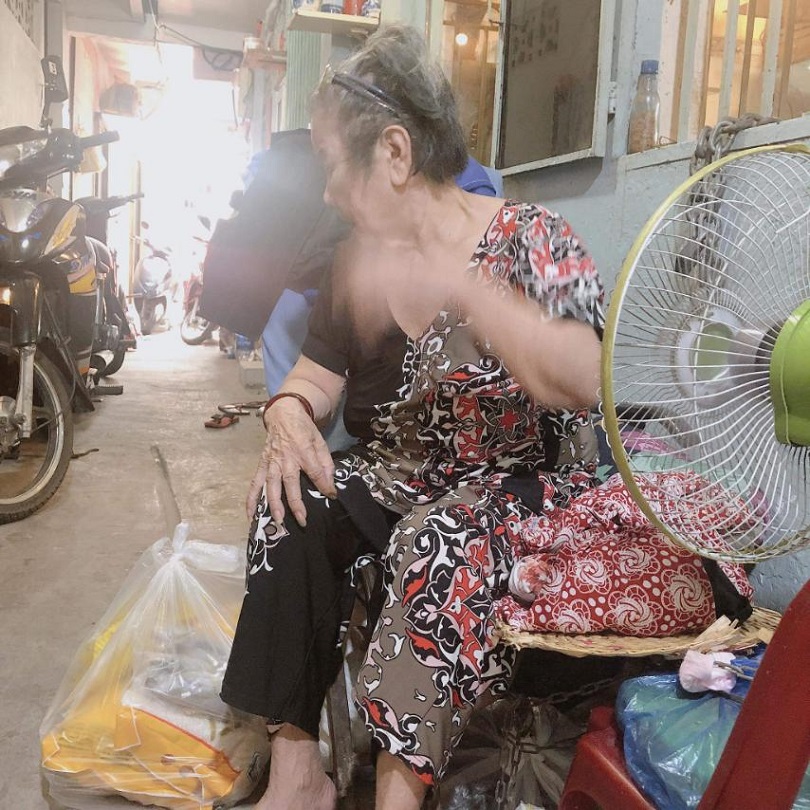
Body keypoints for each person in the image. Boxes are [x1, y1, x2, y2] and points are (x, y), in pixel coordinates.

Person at [220, 23, 604, 810]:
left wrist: (464, 290)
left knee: (436, 542)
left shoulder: (534, 237)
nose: (326, 192)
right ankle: (298, 774)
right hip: (404, 476)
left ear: (394, 153)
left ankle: (397, 797)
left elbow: (583, 380)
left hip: (517, 484)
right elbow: (317, 372)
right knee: (289, 503)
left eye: (333, 165)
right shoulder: (353, 257)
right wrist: (287, 411)